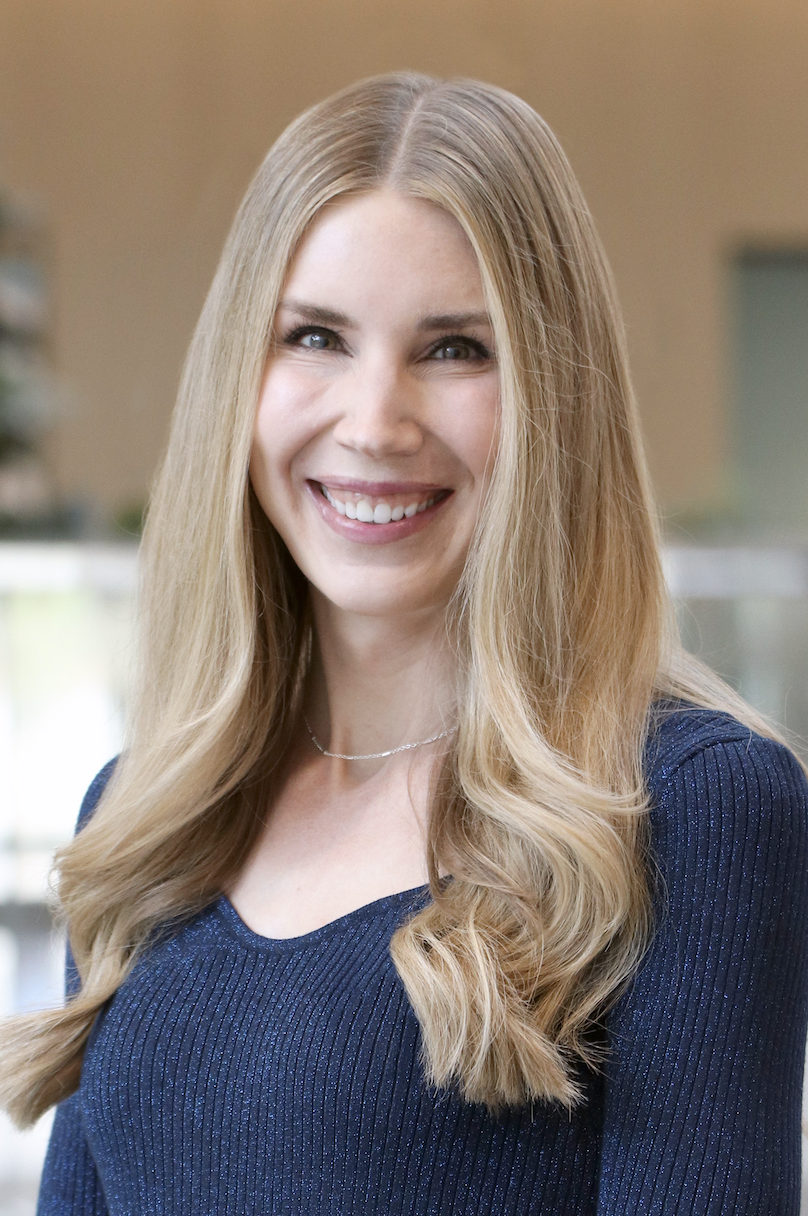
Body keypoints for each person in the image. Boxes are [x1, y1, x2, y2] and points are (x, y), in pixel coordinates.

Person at [1, 72, 807, 1215]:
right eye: (315, 336)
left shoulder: (690, 811)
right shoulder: (143, 816)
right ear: (239, 375)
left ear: (553, 396)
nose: (375, 421)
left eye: (455, 349)